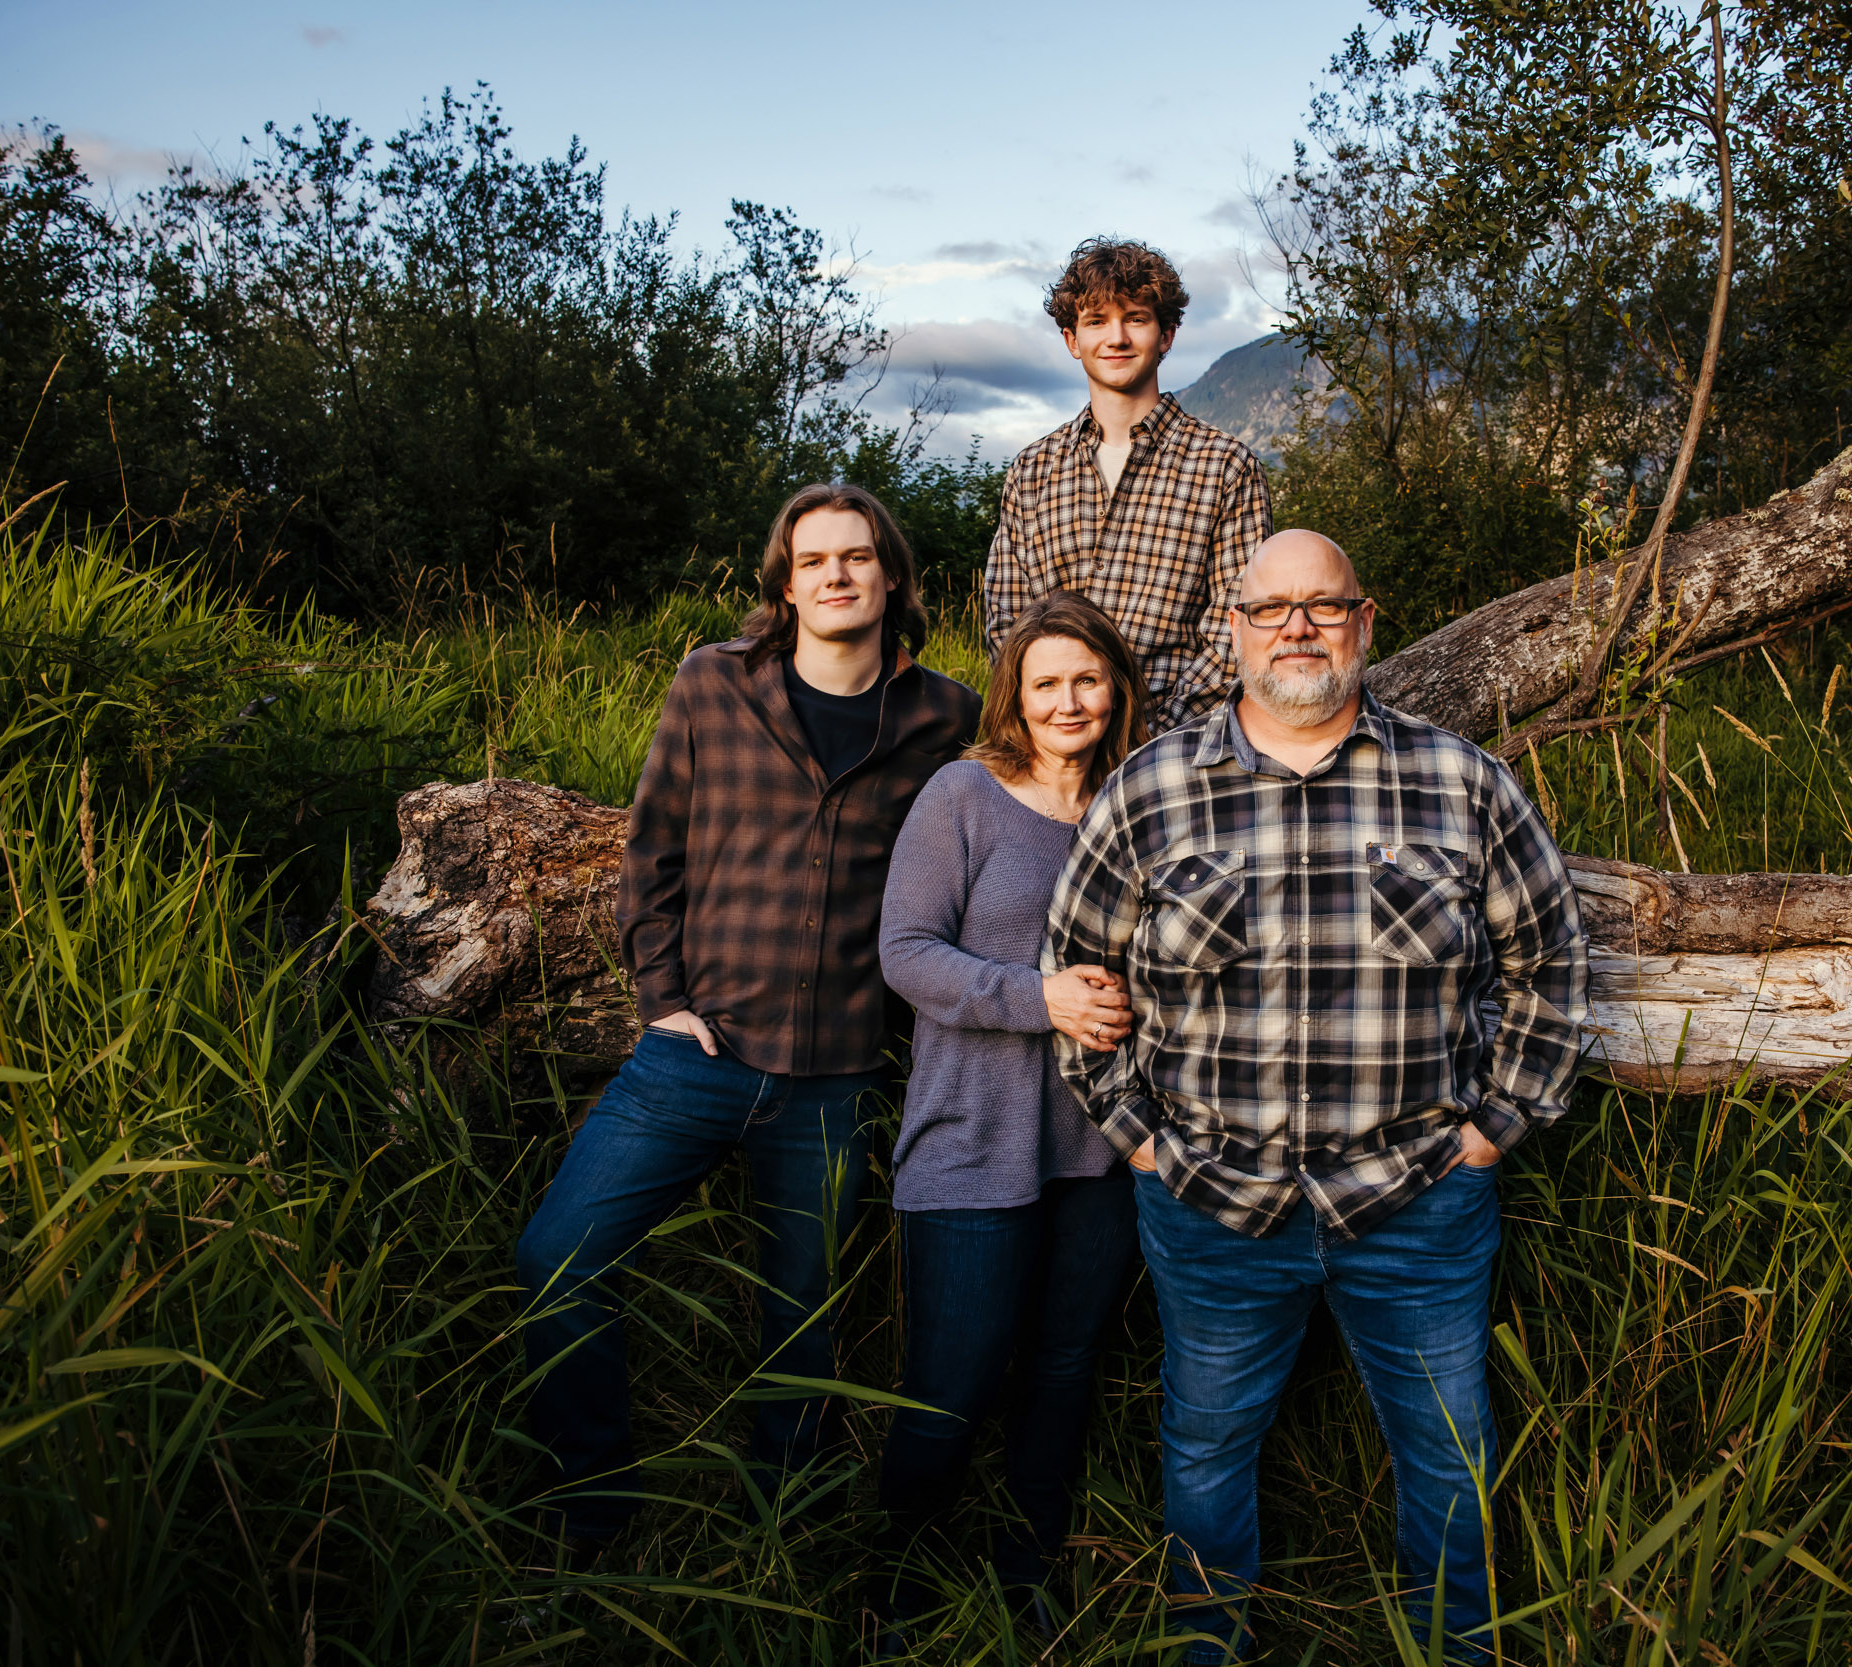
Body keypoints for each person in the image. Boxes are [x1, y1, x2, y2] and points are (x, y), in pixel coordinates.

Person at [1045, 530, 1589, 1663]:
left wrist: (1494, 1129)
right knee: (1203, 1448)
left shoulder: (1462, 781)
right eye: (1272, 606)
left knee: (1448, 1451)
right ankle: (1206, 1643)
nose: (1298, 625)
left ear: (1365, 622)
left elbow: (1551, 964)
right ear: (1232, 628)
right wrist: (1141, 1141)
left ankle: (1454, 1648)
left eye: (1323, 605)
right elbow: (1079, 977)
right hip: (1209, 1203)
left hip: (1418, 1201)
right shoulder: (1151, 789)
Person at [516, 482, 980, 1545]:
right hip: (698, 1053)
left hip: (834, 1075)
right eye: (813, 560)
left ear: (893, 576)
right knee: (557, 1257)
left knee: (800, 1325)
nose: (836, 574)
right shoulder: (712, 684)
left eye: (857, 556)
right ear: (784, 580)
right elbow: (652, 853)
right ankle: (593, 1510)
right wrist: (662, 1001)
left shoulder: (943, 716)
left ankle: (783, 1536)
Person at [871, 590, 1151, 1622]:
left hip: (1104, 1145)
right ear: (1015, 698)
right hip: (974, 1140)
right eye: (1046, 683)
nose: (1068, 699)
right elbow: (904, 952)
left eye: (1086, 677)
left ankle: (1026, 1569)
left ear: (1114, 685)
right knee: (950, 1383)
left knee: (1065, 1369)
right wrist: (1040, 998)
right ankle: (896, 1584)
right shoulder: (964, 794)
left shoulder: (1140, 800)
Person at [982, 237, 1272, 735]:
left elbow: (1239, 632)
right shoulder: (1031, 470)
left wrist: (1152, 740)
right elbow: (1007, 623)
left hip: (1176, 749)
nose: (1116, 337)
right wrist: (1055, 723)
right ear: (1073, 341)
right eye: (1096, 321)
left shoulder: (1226, 466)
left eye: (1135, 318)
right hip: (1054, 746)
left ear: (1166, 335)